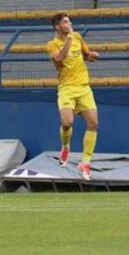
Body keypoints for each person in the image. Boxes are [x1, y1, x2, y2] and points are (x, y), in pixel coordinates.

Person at [46, 13, 101, 181]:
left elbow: (85, 54)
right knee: (67, 122)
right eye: (65, 22)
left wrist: (91, 56)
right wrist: (69, 40)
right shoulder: (52, 45)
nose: (69, 24)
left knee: (93, 123)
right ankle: (65, 145)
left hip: (83, 87)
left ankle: (86, 162)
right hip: (67, 88)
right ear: (57, 26)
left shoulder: (77, 37)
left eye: (69, 21)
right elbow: (60, 59)